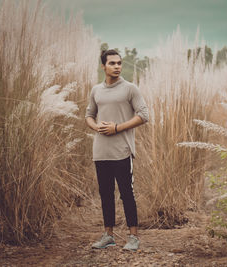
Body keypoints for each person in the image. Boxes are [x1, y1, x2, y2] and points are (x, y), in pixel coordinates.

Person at [85, 49, 149, 251]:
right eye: (112, 63)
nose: (117, 66)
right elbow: (89, 115)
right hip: (101, 151)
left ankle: (133, 237)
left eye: (119, 63)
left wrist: (117, 128)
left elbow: (144, 115)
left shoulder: (130, 89)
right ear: (103, 66)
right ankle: (108, 236)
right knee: (105, 194)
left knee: (126, 193)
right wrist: (96, 127)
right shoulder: (96, 90)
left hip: (122, 150)